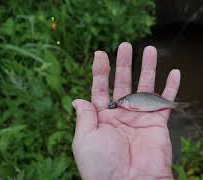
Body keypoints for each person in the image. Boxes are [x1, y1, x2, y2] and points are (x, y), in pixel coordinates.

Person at [71, 42, 181, 180]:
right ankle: (175, 105)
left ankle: (175, 105)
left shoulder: (130, 103)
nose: (120, 104)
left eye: (122, 102)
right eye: (121, 102)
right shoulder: (128, 103)